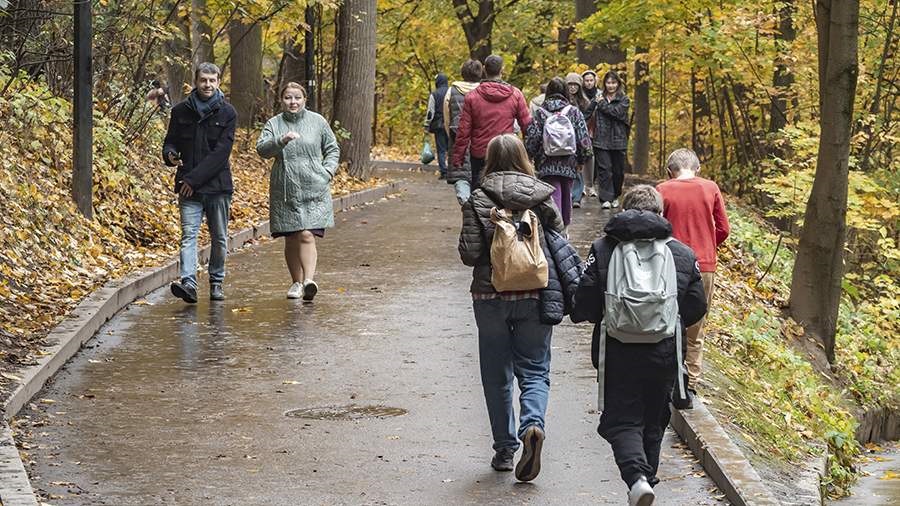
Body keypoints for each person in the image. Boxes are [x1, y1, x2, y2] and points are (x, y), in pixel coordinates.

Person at [571, 185, 707, 505]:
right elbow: (696, 305)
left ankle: (637, 478)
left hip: (616, 350)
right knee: (654, 417)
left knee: (621, 419)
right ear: (661, 212)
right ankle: (647, 479)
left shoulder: (604, 248)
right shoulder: (682, 253)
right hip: (664, 352)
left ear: (624, 210)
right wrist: (667, 321)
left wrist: (591, 313)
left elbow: (586, 301)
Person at [458, 134, 568, 483]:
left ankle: (504, 448)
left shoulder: (478, 199)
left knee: (496, 374)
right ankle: (532, 425)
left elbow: (470, 254)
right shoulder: (543, 197)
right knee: (535, 369)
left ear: (489, 160)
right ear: (523, 158)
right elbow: (560, 243)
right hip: (535, 293)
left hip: (490, 297)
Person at [656, 148, 730, 402]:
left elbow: (655, 226)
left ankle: (667, 375)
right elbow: (724, 228)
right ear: (698, 169)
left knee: (665, 318)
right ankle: (692, 380)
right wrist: (709, 243)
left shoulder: (662, 189)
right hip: (704, 262)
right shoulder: (710, 188)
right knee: (696, 324)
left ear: (670, 171)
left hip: (668, 263)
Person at [256, 82, 340, 301]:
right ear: (282, 100)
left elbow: (332, 148)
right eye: (288, 98)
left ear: (305, 100)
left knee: (306, 233)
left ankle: (308, 281)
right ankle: (296, 282)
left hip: (315, 186)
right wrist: (280, 140)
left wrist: (328, 171)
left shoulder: (318, 122)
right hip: (285, 187)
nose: (293, 102)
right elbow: (262, 150)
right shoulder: (274, 124)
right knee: (292, 237)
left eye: (297, 98)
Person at [163, 62, 237, 303]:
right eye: (203, 80)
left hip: (217, 188)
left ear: (218, 83)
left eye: (212, 80)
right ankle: (189, 283)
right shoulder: (180, 111)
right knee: (188, 236)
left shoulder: (228, 113)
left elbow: (220, 154)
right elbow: (170, 142)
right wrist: (170, 155)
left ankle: (216, 282)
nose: (207, 84)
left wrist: (192, 180)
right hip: (188, 188)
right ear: (195, 81)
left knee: (219, 237)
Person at [450, 55, 531, 204]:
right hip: (507, 152)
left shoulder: (472, 97)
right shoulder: (516, 94)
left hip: (481, 153)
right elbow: (527, 126)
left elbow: (464, 131)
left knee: (480, 192)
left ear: (484, 70)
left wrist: (458, 157)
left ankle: (480, 223)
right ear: (502, 70)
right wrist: (530, 153)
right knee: (507, 191)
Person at [524, 77, 592, 229]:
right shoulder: (574, 112)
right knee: (567, 193)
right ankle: (565, 227)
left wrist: (530, 155)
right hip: (569, 161)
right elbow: (584, 139)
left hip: (546, 161)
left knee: (552, 193)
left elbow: (533, 138)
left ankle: (555, 227)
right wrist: (582, 160)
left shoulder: (540, 113)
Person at [592, 70, 630, 209]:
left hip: (619, 140)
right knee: (604, 170)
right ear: (604, 83)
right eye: (608, 82)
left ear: (618, 84)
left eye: (613, 82)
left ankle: (615, 195)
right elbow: (588, 111)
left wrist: (601, 104)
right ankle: (605, 198)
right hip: (601, 139)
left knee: (618, 171)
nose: (611, 85)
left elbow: (617, 113)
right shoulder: (598, 97)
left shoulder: (624, 99)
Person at [444, 60, 483, 192]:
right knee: (479, 177)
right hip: (481, 138)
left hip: (458, 137)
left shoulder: (452, 90)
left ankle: (466, 204)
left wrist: (452, 135)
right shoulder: (484, 91)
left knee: (461, 176)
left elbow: (447, 118)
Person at [564, 72, 592, 208]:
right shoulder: (563, 100)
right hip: (564, 137)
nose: (573, 87)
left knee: (578, 167)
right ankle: (568, 194)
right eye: (570, 84)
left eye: (575, 85)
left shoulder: (584, 102)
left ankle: (576, 196)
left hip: (578, 137)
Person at [424, 73, 450, 179]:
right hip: (451, 125)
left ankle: (443, 171)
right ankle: (452, 170)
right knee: (451, 148)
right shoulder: (452, 92)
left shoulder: (434, 95)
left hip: (439, 126)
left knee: (441, 149)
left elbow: (431, 112)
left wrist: (427, 124)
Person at [580, 70, 599, 199]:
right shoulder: (580, 96)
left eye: (591, 80)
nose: (589, 83)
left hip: (597, 128)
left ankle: (591, 184)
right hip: (584, 128)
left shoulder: (600, 94)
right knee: (584, 156)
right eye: (586, 80)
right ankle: (584, 185)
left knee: (595, 157)